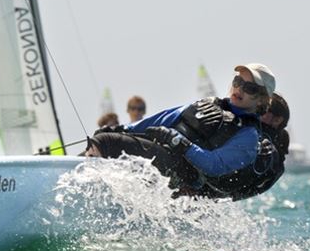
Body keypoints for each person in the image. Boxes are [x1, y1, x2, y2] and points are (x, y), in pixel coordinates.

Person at [86, 63, 276, 199]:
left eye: (249, 88)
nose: (239, 88)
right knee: (103, 138)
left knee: (107, 142)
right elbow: (166, 117)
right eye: (238, 81)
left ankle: (80, 185)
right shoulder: (208, 103)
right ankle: (87, 183)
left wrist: (180, 142)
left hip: (186, 176)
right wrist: (125, 128)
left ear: (261, 99)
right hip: (165, 158)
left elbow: (215, 165)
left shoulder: (249, 136)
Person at [196, 93, 290, 200]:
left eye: (263, 109)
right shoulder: (250, 127)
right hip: (209, 194)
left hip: (206, 188)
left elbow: (228, 186)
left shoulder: (267, 149)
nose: (256, 110)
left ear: (277, 120)